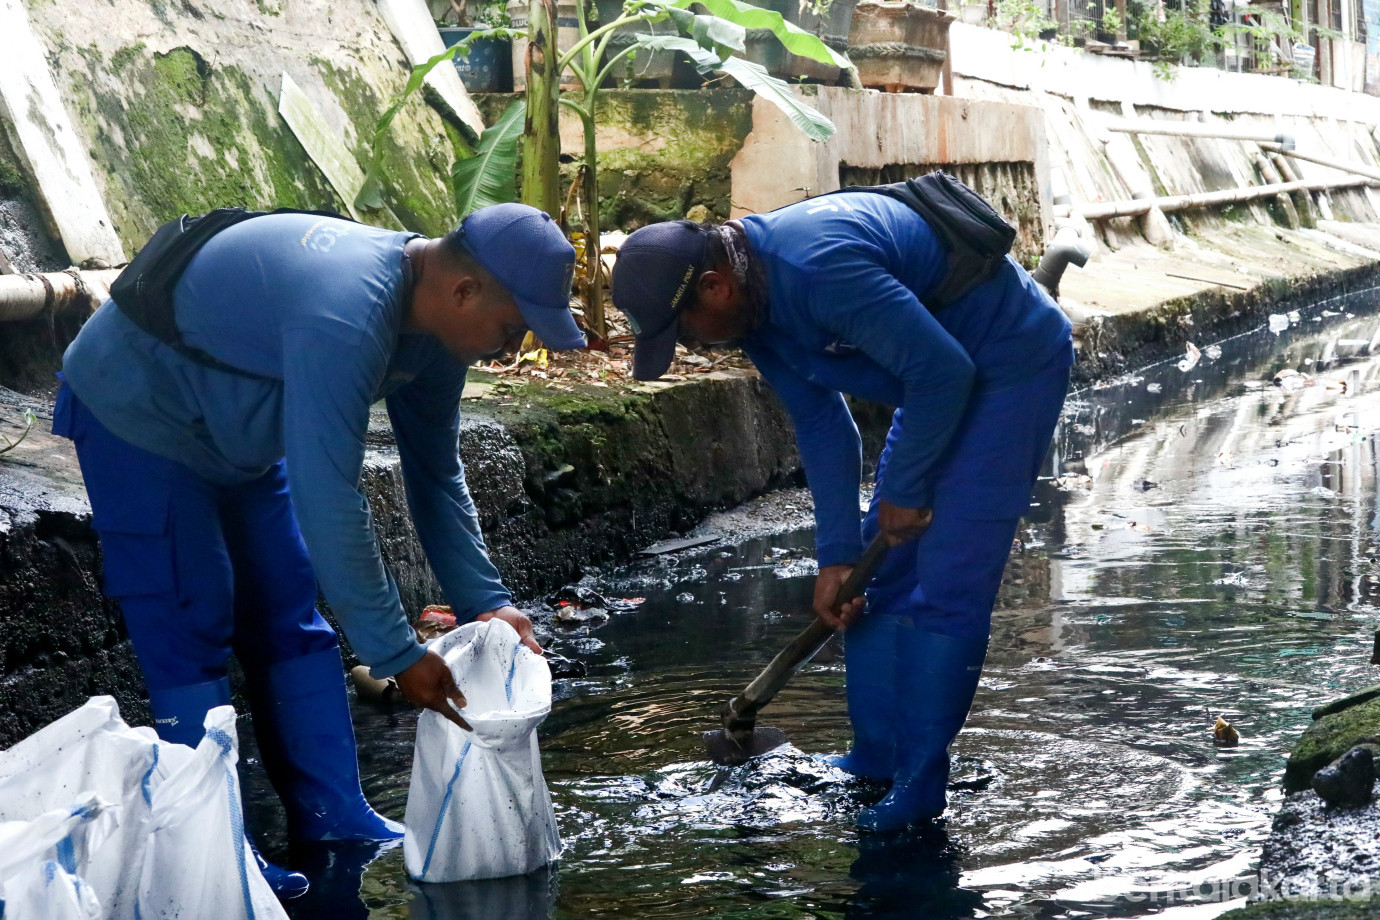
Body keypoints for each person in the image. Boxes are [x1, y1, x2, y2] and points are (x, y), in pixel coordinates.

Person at [52, 202, 583, 896]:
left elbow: (434, 472)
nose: (508, 348)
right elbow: (329, 497)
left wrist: (488, 602)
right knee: (191, 612)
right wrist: (397, 654)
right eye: (511, 327)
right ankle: (217, 852)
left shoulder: (439, 336)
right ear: (464, 291)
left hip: (240, 435)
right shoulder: (348, 311)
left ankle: (336, 816)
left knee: (288, 609)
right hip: (140, 416)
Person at [611, 186, 1072, 833]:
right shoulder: (756, 312)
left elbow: (942, 372)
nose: (690, 342)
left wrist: (907, 491)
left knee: (947, 583)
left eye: (682, 328)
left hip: (1008, 371)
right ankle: (875, 758)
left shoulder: (814, 267)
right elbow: (824, 424)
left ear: (714, 287)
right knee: (875, 578)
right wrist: (835, 557)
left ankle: (918, 786)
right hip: (938, 380)